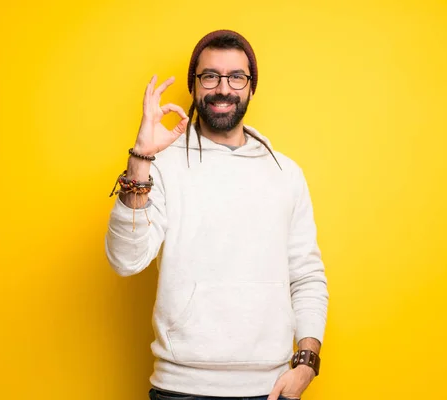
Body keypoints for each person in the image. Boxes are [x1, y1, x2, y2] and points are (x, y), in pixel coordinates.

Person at [105, 29, 329, 400]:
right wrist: (140, 159)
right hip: (181, 389)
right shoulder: (160, 164)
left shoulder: (286, 174)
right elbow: (125, 260)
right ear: (194, 86)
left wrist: (307, 362)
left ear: (251, 87)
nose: (223, 88)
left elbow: (307, 276)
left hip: (270, 390)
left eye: (236, 77)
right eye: (210, 76)